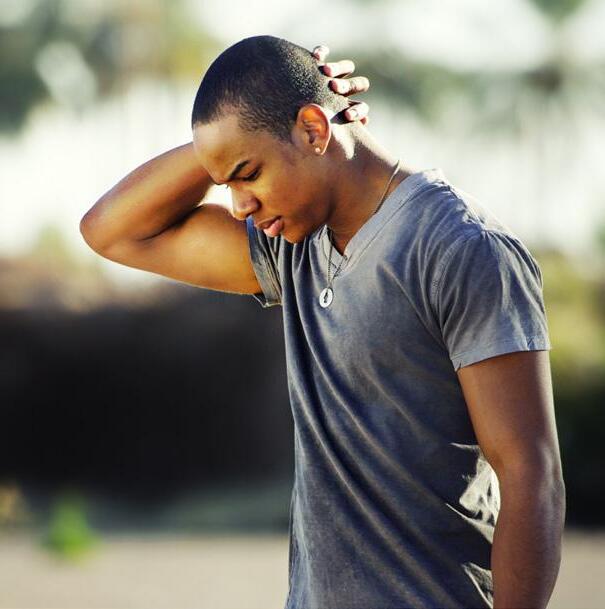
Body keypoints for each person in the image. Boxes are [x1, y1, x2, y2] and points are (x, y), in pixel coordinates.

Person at [80, 36, 566, 609]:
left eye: (248, 173)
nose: (239, 205)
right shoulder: (291, 247)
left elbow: (532, 475)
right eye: (227, 182)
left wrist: (271, 111)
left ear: (314, 131)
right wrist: (235, 134)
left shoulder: (461, 248)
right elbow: (111, 231)